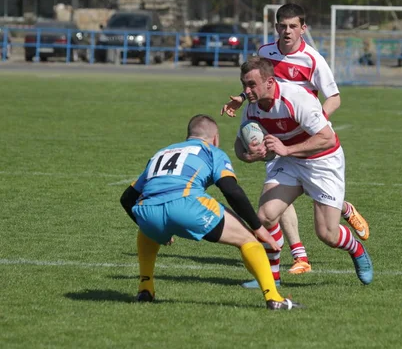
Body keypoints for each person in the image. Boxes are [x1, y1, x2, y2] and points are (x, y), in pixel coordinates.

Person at [221, 3, 369, 278]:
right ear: (276, 27)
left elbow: (334, 97)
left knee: (327, 233)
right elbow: (256, 82)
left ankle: (353, 241)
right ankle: (283, 268)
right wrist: (242, 100)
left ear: (303, 28)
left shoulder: (312, 60)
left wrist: (314, 120)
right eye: (282, 26)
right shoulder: (265, 54)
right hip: (279, 141)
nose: (287, 31)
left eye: (293, 26)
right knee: (266, 213)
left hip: (314, 145)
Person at [119, 114, 302, 310]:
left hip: (148, 210)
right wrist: (258, 228)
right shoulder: (211, 151)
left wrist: (155, 229)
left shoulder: (162, 152)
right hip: (186, 204)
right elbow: (231, 190)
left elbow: (127, 198)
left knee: (146, 226)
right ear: (215, 138)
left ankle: (145, 288)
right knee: (249, 241)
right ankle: (274, 298)